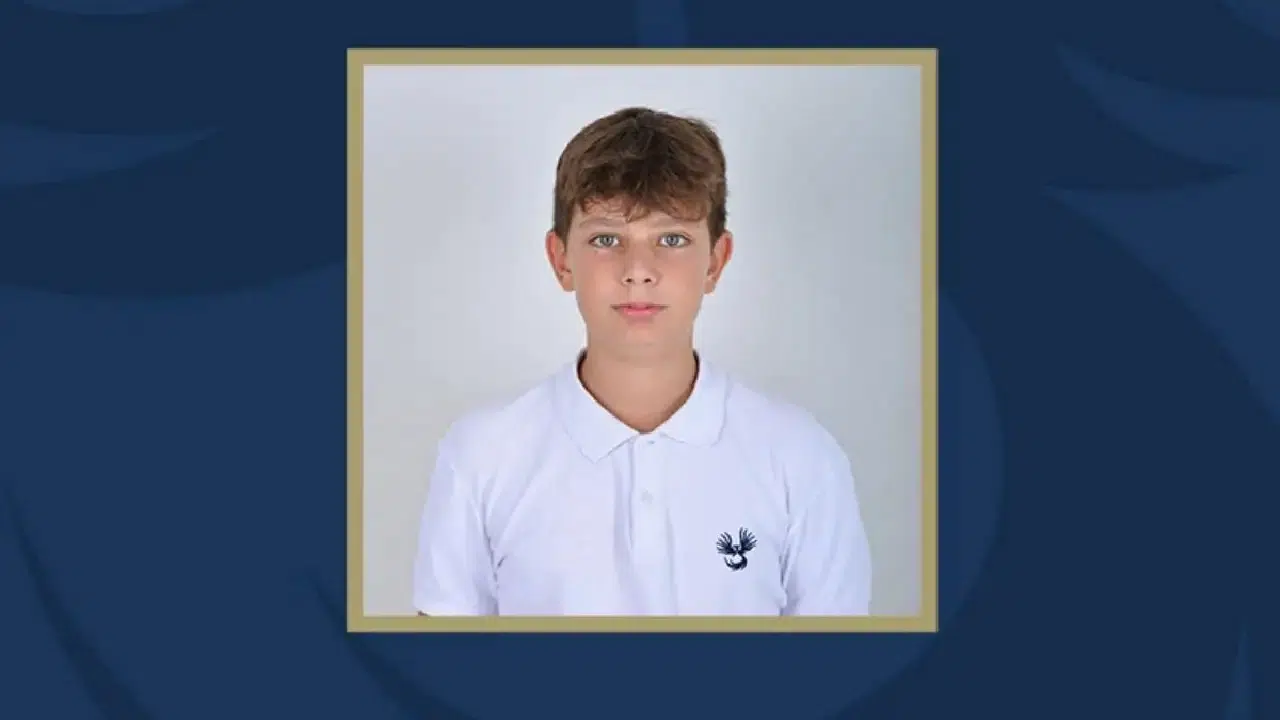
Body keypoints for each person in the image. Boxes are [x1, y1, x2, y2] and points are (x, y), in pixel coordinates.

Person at [412, 106, 872, 616]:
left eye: (671, 240)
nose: (638, 271)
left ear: (715, 261)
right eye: (606, 239)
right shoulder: (481, 457)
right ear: (561, 260)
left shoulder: (801, 458)